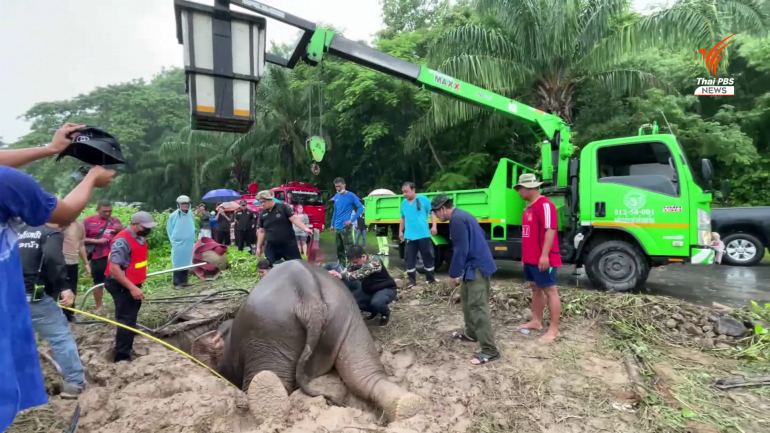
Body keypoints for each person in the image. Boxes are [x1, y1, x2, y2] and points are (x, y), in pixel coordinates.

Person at [0, 122, 115, 431]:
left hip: (19, 294)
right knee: (61, 336)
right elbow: (62, 225)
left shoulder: (23, 232)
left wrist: (51, 149)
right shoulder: (12, 188)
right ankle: (74, 382)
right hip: (27, 297)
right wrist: (92, 177)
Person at [18, 221, 86, 398]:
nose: (66, 227)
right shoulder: (50, 233)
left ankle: (19, 386)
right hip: (34, 298)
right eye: (66, 222)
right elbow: (53, 259)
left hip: (10, 297)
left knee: (18, 341)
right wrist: (64, 286)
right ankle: (75, 383)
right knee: (61, 338)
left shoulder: (19, 230)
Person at [431, 193, 500, 365]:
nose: (436, 217)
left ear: (442, 209)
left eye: (435, 213)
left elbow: (461, 249)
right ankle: (471, 334)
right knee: (467, 301)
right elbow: (480, 235)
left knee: (478, 307)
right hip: (471, 266)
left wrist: (454, 272)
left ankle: (489, 350)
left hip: (477, 267)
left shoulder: (456, 220)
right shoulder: (463, 215)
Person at [514, 173, 562, 344]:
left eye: (520, 188)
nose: (519, 192)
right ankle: (536, 321)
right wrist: (525, 257)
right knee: (535, 288)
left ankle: (554, 330)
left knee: (550, 290)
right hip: (530, 258)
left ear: (530, 188)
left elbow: (551, 230)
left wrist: (544, 255)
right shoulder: (528, 208)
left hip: (543, 258)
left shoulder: (545, 205)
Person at [104, 211, 156, 362]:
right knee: (126, 319)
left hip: (132, 282)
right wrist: (132, 288)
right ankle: (122, 356)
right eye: (144, 227)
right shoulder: (122, 241)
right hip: (121, 284)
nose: (147, 229)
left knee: (131, 315)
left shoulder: (139, 236)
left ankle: (127, 344)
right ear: (134, 224)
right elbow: (114, 268)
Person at [329, 245, 397, 327]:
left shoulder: (374, 262)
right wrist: (337, 274)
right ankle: (374, 310)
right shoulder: (354, 263)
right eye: (352, 262)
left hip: (385, 288)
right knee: (352, 301)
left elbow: (359, 274)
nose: (353, 264)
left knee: (377, 302)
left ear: (363, 257)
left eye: (355, 262)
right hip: (368, 289)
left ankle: (385, 313)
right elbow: (346, 271)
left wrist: (341, 276)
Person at [83, 199, 123, 315]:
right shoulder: (87, 222)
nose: (107, 213)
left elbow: (124, 237)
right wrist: (96, 241)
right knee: (98, 281)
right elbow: (80, 239)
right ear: (97, 210)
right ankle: (99, 306)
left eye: (110, 211)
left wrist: (121, 230)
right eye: (104, 211)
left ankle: (119, 304)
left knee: (118, 280)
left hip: (115, 256)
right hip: (98, 256)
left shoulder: (115, 221)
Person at [254, 191, 313, 265]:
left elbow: (294, 219)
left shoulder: (282, 206)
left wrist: (305, 229)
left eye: (264, 202)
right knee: (270, 266)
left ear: (270, 199)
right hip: (272, 246)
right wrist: (258, 247)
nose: (262, 204)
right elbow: (261, 231)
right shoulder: (262, 213)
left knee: (297, 265)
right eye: (260, 202)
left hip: (288, 244)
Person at [400, 182, 438, 288]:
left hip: (423, 235)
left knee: (427, 256)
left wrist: (434, 226)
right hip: (409, 236)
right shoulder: (404, 203)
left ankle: (430, 280)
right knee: (409, 258)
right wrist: (400, 231)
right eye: (403, 192)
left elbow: (432, 213)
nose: (404, 194)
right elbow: (402, 218)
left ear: (413, 190)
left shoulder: (423, 199)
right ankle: (412, 281)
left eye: (406, 191)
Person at [330, 177, 364, 266]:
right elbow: (335, 211)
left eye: (339, 186)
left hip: (346, 227)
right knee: (339, 250)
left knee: (350, 249)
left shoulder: (351, 196)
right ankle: (342, 267)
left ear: (344, 185)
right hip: (337, 227)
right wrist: (332, 224)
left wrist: (351, 220)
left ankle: (352, 267)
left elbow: (361, 208)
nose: (338, 188)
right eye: (336, 187)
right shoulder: (336, 196)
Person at [61, 219, 90, 322]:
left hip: (73, 261)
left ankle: (69, 314)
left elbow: (81, 245)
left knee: (72, 289)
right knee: (60, 288)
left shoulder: (80, 225)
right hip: (60, 260)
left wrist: (86, 263)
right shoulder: (59, 222)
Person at [167, 195, 196, 290]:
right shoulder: (173, 216)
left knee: (186, 261)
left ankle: (184, 281)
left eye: (186, 204)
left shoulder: (190, 215)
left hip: (188, 243)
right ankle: (176, 283)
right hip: (178, 243)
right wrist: (174, 241)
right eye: (183, 204)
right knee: (178, 262)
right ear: (179, 205)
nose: (185, 205)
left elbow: (191, 226)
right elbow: (169, 229)